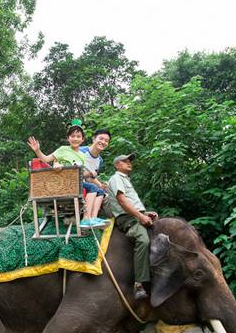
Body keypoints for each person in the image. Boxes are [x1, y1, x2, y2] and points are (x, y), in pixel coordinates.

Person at [27, 122, 109, 228]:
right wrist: (37, 150)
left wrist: (89, 174)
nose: (75, 139)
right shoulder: (63, 150)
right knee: (92, 187)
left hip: (76, 183)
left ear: (82, 139)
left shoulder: (82, 155)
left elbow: (81, 174)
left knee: (100, 192)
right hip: (64, 184)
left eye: (78, 136)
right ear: (68, 138)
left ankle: (93, 218)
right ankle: (86, 218)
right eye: (73, 136)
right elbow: (46, 159)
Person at [104, 154, 158, 300]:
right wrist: (140, 216)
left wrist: (145, 213)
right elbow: (122, 201)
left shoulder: (125, 179)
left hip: (134, 215)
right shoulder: (116, 179)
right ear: (116, 165)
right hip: (127, 218)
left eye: (130, 161)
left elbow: (130, 203)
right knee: (143, 239)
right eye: (125, 161)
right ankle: (139, 283)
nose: (129, 163)